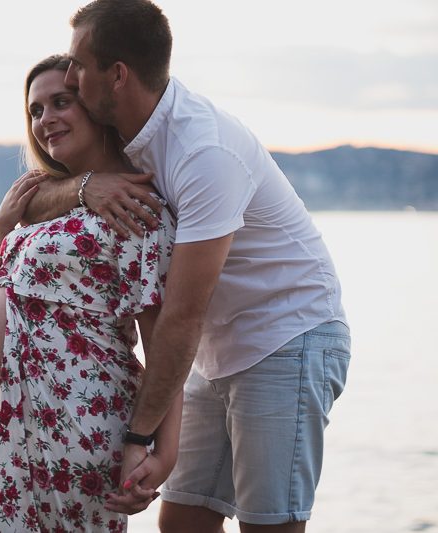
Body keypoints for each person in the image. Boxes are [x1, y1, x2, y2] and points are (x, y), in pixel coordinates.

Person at [20, 2, 351, 532]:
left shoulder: (203, 152)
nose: (72, 78)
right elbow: (27, 200)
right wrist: (84, 187)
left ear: (118, 75)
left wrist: (138, 437)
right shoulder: (126, 137)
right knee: (181, 525)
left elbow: (180, 316)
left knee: (268, 526)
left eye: (80, 68)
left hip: (286, 336)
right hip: (217, 350)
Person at [0, 54, 182, 532]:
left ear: (97, 106)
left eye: (61, 102)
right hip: (15, 414)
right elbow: (23, 296)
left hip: (78, 414)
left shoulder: (135, 208)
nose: (45, 120)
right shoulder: (43, 203)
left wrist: (163, 450)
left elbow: (164, 340)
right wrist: (2, 233)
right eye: (35, 110)